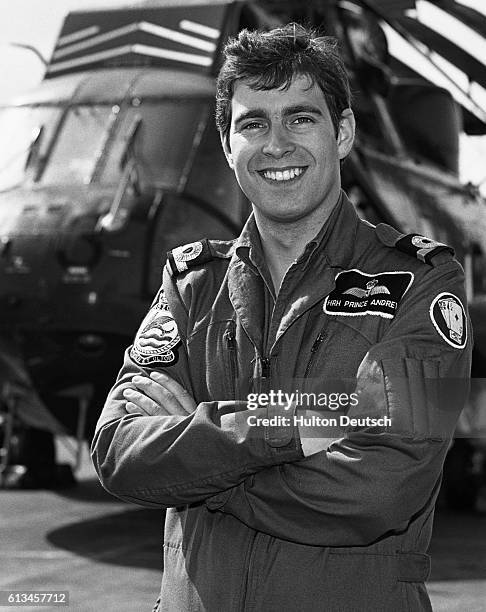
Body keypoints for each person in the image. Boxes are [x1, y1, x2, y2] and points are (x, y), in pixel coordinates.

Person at [92, 24, 472, 611]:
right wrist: (305, 421)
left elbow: (387, 486)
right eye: (253, 123)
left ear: (342, 133)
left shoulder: (429, 283)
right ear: (227, 144)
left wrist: (204, 466)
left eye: (300, 118)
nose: (276, 145)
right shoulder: (192, 285)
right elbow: (118, 453)